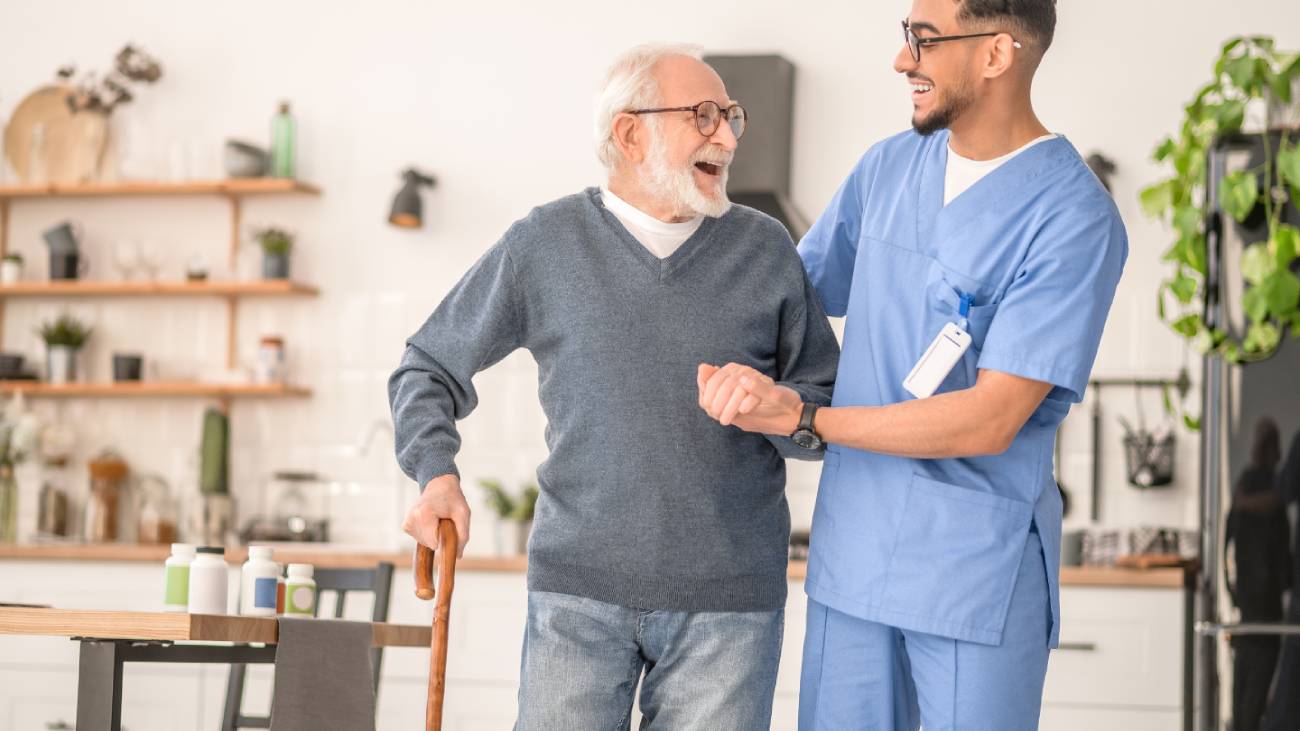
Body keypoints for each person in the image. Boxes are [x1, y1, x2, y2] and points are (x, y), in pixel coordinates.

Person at [697, 0, 1126, 728]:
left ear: (996, 54)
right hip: (853, 558)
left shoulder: (1072, 215)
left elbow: (993, 418)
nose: (903, 61)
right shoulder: (889, 169)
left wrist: (806, 417)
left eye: (923, 41)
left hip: (970, 572)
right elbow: (785, 307)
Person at [389, 44, 839, 729]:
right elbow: (426, 364)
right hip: (577, 597)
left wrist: (782, 410)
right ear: (630, 133)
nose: (728, 136)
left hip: (731, 609)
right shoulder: (544, 243)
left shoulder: (766, 249)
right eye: (706, 116)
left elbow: (827, 413)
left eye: (733, 119)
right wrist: (434, 474)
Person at [1226, 418, 1292, 731]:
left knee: (1245, 682)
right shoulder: (1266, 484)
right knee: (1256, 680)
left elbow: (1230, 542)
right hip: (1262, 600)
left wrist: (1232, 590)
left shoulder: (1247, 484)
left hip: (1248, 600)